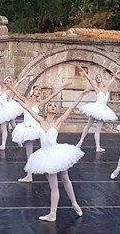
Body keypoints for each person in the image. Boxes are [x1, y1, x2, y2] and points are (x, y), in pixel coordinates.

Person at [16, 86, 91, 222]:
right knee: (54, 186)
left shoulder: (58, 121)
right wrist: (15, 98)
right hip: (45, 156)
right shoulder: (40, 120)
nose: (52, 106)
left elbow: (71, 108)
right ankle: (53, 214)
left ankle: (74, 203)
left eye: (55, 106)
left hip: (57, 154)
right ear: (46, 109)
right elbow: (27, 108)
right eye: (50, 105)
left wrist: (82, 94)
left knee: (66, 179)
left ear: (56, 111)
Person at [5, 81, 65, 182]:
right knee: (29, 153)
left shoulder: (39, 103)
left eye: (40, 90)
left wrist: (61, 88)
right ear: (32, 91)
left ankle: (55, 168)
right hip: (26, 129)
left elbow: (51, 96)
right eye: (37, 89)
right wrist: (9, 86)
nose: (38, 91)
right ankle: (29, 175)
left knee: (47, 148)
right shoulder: (25, 100)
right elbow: (16, 93)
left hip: (37, 128)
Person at [75, 67, 119, 152]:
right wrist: (84, 72)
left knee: (98, 129)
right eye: (96, 78)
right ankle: (80, 141)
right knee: (88, 125)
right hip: (96, 108)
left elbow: (113, 78)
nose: (98, 79)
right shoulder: (97, 89)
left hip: (103, 110)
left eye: (99, 77)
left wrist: (117, 72)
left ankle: (98, 147)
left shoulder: (106, 87)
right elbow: (90, 80)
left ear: (102, 78)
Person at [0, 67, 25, 150]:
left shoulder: (9, 91)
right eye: (7, 80)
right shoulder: (0, 88)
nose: (8, 82)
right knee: (12, 125)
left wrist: (23, 78)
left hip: (7, 109)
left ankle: (11, 143)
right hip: (0, 109)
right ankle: (17, 142)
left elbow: (17, 84)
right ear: (5, 81)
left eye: (9, 81)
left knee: (8, 127)